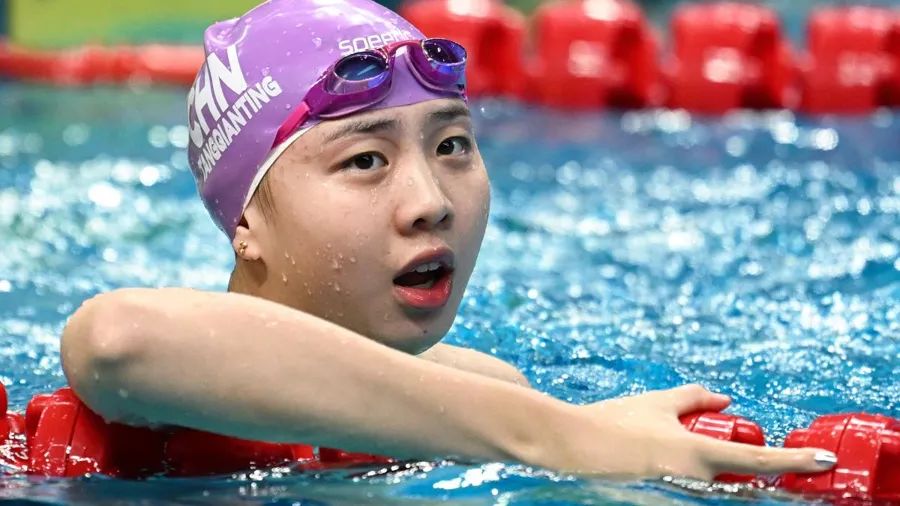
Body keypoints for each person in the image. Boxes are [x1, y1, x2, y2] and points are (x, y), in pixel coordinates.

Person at [59, 0, 837, 480]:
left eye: (452, 145)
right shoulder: (166, 385)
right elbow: (118, 340)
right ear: (246, 224)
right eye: (365, 160)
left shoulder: (484, 390)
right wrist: (560, 440)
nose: (431, 203)